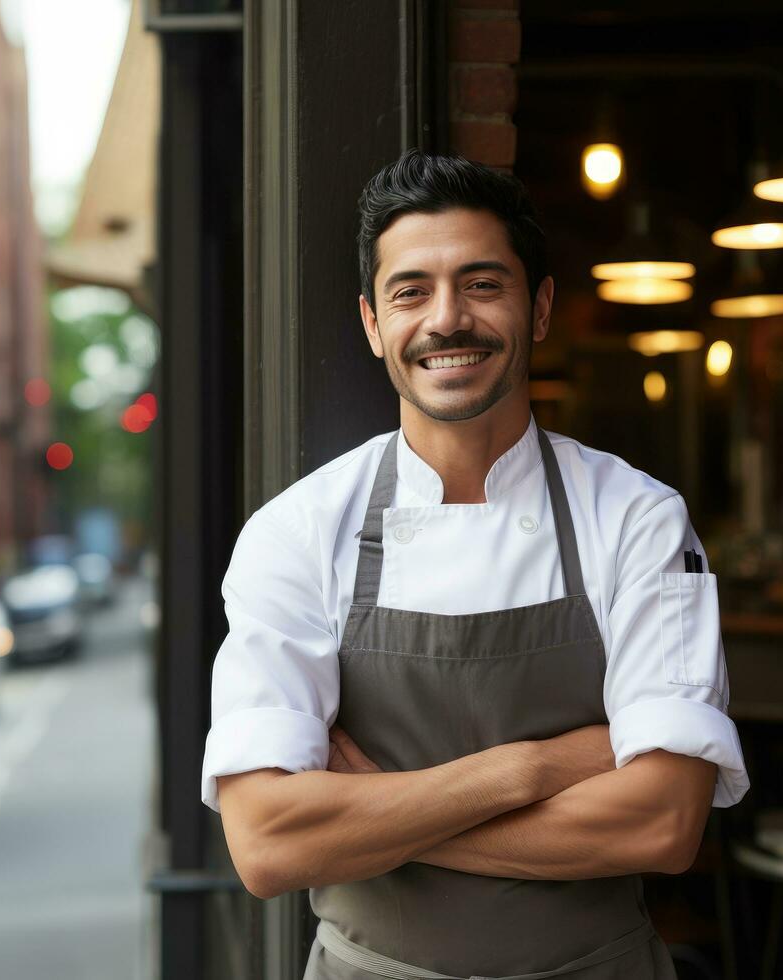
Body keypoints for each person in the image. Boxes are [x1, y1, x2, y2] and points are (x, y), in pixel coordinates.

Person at [201, 150, 750, 979]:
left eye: (484, 284)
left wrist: (377, 814)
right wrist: (530, 768)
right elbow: (269, 843)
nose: (446, 319)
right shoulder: (298, 532)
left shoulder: (637, 519)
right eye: (410, 291)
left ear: (539, 309)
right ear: (372, 323)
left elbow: (662, 826)